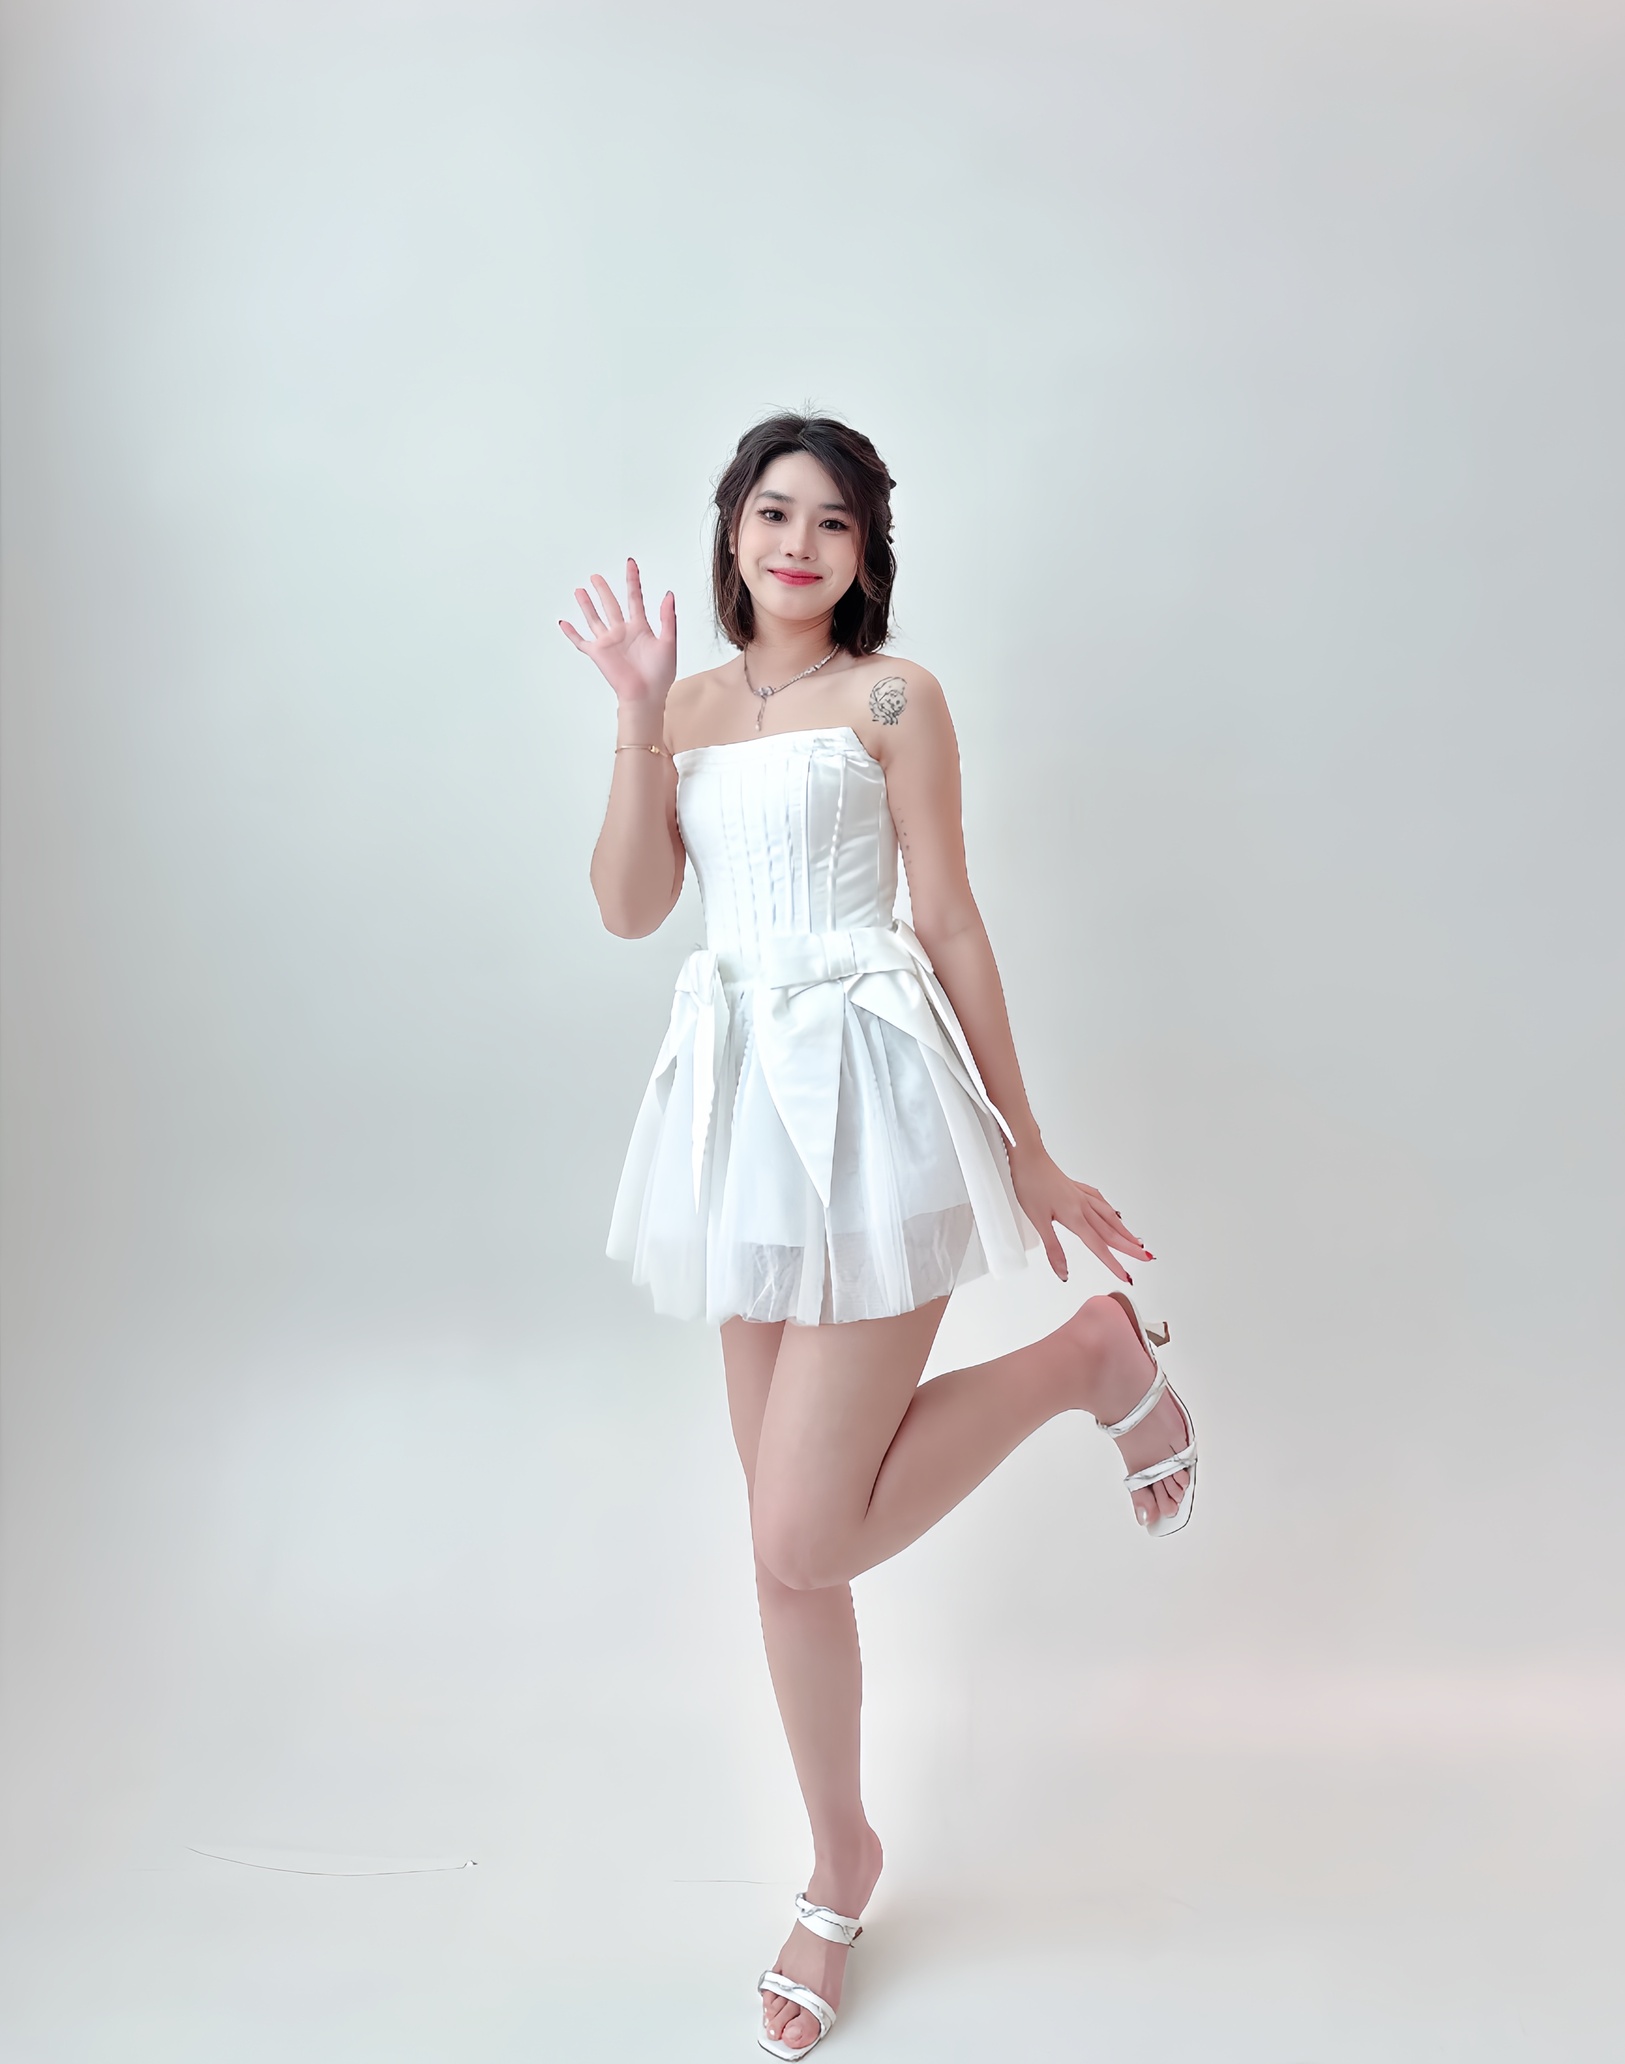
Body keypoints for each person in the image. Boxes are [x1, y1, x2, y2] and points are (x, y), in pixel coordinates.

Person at [560, 413, 1196, 2057]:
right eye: (774, 513)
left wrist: (1032, 1152)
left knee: (804, 1530)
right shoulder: (685, 710)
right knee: (785, 1552)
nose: (798, 544)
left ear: (865, 554)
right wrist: (634, 715)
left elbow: (950, 918)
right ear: (731, 530)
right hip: (739, 1124)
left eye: (832, 523)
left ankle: (1088, 1364)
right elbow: (630, 909)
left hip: (878, 1095)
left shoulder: (896, 699)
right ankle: (838, 1862)